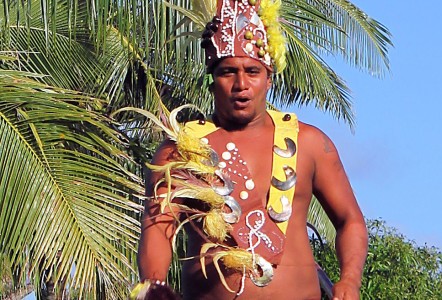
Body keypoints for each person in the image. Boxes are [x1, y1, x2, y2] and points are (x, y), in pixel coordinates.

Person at [134, 0, 367, 299]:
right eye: (228, 71)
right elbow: (157, 226)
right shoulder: (182, 150)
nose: (241, 84)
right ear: (211, 80)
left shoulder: (309, 144)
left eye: (252, 71)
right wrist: (154, 284)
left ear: (269, 78)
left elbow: (350, 221)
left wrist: (349, 280)